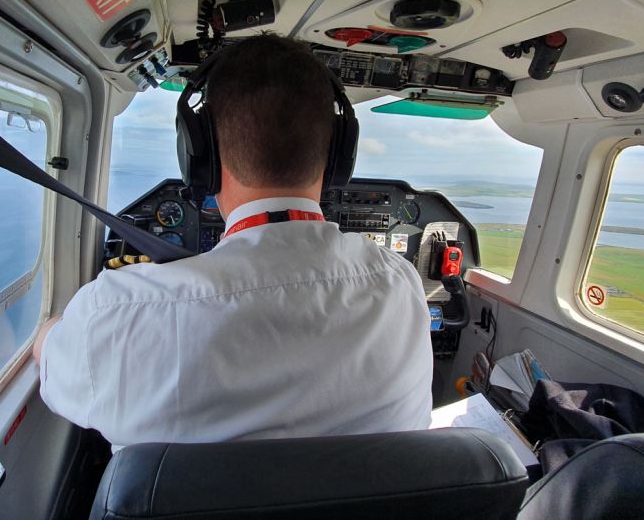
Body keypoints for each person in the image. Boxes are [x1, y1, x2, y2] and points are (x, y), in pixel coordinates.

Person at [34, 34, 431, 451]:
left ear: (198, 156)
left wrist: (57, 327)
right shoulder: (402, 286)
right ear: (338, 157)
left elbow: (49, 353)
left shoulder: (118, 313)